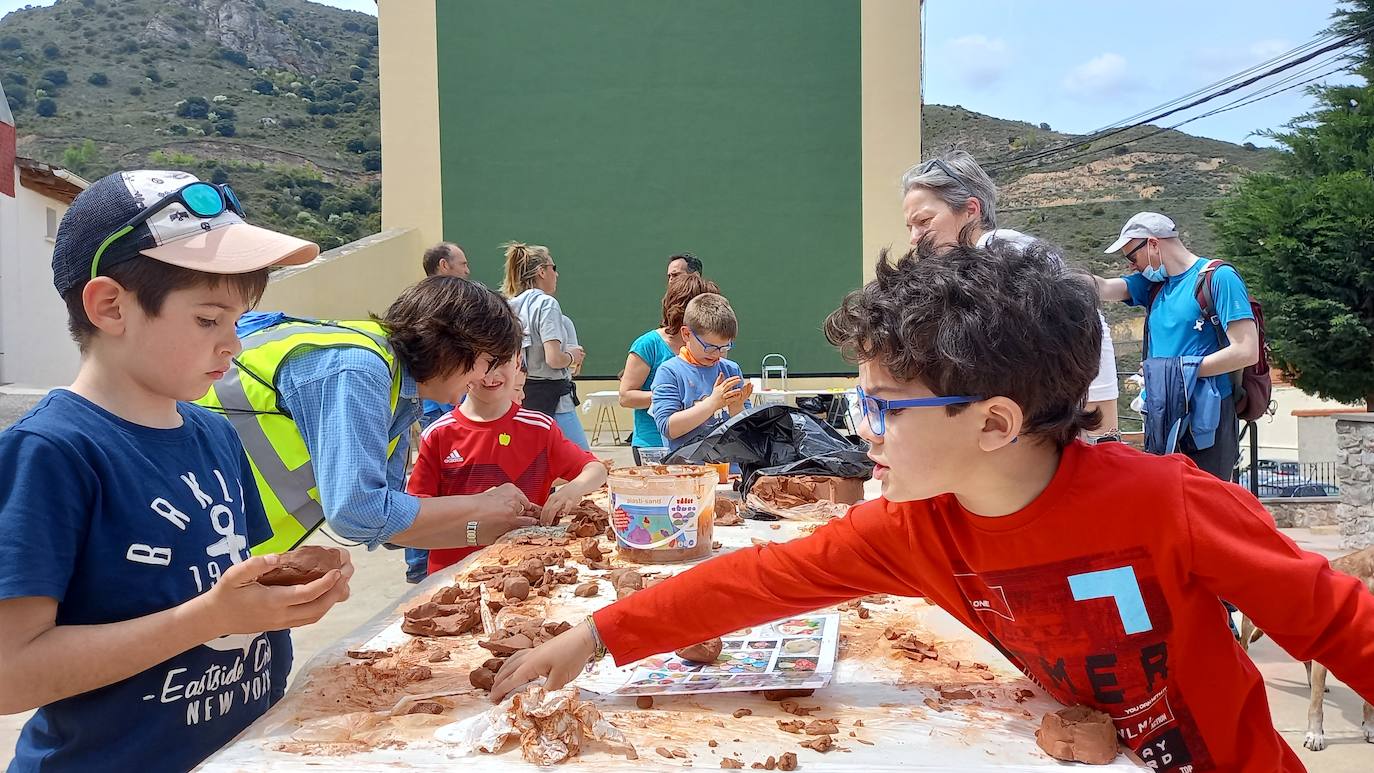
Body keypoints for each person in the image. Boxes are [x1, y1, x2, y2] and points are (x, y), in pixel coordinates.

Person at [491, 238, 1374, 772]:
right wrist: (595, 638)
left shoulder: (1169, 501)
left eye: (884, 405)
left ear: (994, 421)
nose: (860, 425)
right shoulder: (914, 527)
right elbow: (757, 580)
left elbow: (1339, 626)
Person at [0, 170, 354, 771]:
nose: (233, 345)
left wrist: (290, 594)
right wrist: (208, 619)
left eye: (238, 320)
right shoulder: (52, 452)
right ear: (110, 306)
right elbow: (10, 673)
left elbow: (232, 583)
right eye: (208, 320)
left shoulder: (216, 433)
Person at [198, 275, 537, 565]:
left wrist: (487, 527)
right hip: (195, 545)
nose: (484, 376)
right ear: (454, 346)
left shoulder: (401, 392)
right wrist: (480, 503)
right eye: (487, 360)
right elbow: (357, 512)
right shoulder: (360, 369)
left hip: (233, 551)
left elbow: (388, 525)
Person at [900, 151, 1121, 441]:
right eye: (910, 227)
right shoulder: (985, 258)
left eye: (924, 221)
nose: (914, 237)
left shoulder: (1002, 255)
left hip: (1070, 424)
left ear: (970, 210)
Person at [1093, 212, 1258, 481]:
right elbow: (1104, 287)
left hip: (1208, 417)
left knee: (1207, 502)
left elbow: (1246, 351)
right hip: (1162, 411)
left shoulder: (1218, 278)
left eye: (1132, 257)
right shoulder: (1153, 287)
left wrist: (1177, 372)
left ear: (1153, 244)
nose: (1132, 267)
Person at [408, 353, 607, 576]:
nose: (490, 375)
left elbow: (595, 468)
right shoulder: (438, 434)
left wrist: (574, 488)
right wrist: (474, 517)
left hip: (529, 570)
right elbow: (414, 518)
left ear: (518, 363)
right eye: (480, 363)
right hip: (455, 574)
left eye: (501, 362)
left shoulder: (539, 428)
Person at [619, 274, 720, 463]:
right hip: (654, 445)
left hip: (701, 443)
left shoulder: (711, 346)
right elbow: (626, 397)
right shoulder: (649, 344)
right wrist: (674, 396)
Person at [502, 241, 589, 450]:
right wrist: (572, 356)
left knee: (533, 463)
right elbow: (553, 358)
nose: (556, 275)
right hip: (554, 399)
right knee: (584, 465)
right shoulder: (547, 304)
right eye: (553, 268)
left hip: (521, 395)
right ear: (541, 271)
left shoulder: (510, 305)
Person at [649, 293, 752, 453]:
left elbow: (746, 433)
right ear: (686, 334)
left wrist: (737, 409)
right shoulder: (670, 372)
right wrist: (712, 403)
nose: (716, 354)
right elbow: (668, 428)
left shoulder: (731, 370)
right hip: (688, 470)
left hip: (730, 468)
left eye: (724, 348)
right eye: (710, 347)